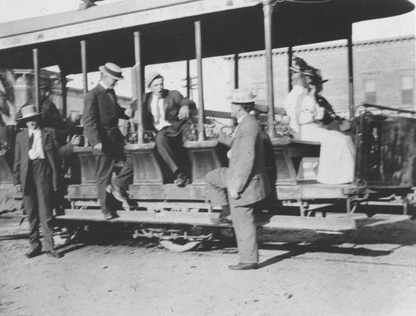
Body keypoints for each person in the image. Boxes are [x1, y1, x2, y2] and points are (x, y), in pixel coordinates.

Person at [205, 89, 271, 271]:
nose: (230, 107)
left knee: (243, 220)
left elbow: (246, 159)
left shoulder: (248, 126)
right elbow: (238, 144)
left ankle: (249, 260)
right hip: (235, 172)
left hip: (244, 179)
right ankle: (226, 213)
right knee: (211, 178)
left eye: (232, 104)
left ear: (239, 107)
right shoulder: (246, 123)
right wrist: (218, 135)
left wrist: (237, 187)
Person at [82, 62, 133, 219]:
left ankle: (117, 185)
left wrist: (127, 112)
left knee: (135, 158)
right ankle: (105, 210)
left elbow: (116, 111)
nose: (116, 81)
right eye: (114, 79)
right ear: (105, 76)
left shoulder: (111, 93)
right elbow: (88, 121)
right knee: (104, 175)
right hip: (101, 140)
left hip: (116, 138)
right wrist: (96, 142)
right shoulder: (93, 95)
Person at [285, 72, 355, 184]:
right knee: (339, 140)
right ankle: (335, 177)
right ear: (300, 79)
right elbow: (304, 118)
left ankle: (348, 175)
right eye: (307, 79)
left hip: (314, 128)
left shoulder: (307, 96)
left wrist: (312, 98)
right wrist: (312, 104)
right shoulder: (294, 96)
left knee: (344, 138)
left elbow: (318, 115)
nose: (310, 83)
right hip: (304, 130)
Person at [13, 105, 62, 259]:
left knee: (45, 211)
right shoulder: (20, 137)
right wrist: (16, 179)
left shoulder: (48, 133)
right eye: (28, 120)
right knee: (31, 212)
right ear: (25, 122)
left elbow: (58, 155)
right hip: (26, 174)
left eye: (33, 119)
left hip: (43, 171)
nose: (31, 122)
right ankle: (34, 246)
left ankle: (49, 247)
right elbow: (17, 159)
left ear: (37, 119)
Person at [133, 72, 197, 187]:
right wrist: (135, 110)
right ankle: (178, 173)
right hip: (161, 131)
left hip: (177, 128)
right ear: (150, 87)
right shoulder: (145, 98)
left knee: (190, 136)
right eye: (156, 85)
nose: (160, 88)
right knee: (160, 138)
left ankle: (195, 171)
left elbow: (187, 101)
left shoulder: (173, 94)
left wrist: (184, 106)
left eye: (161, 84)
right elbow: (133, 104)